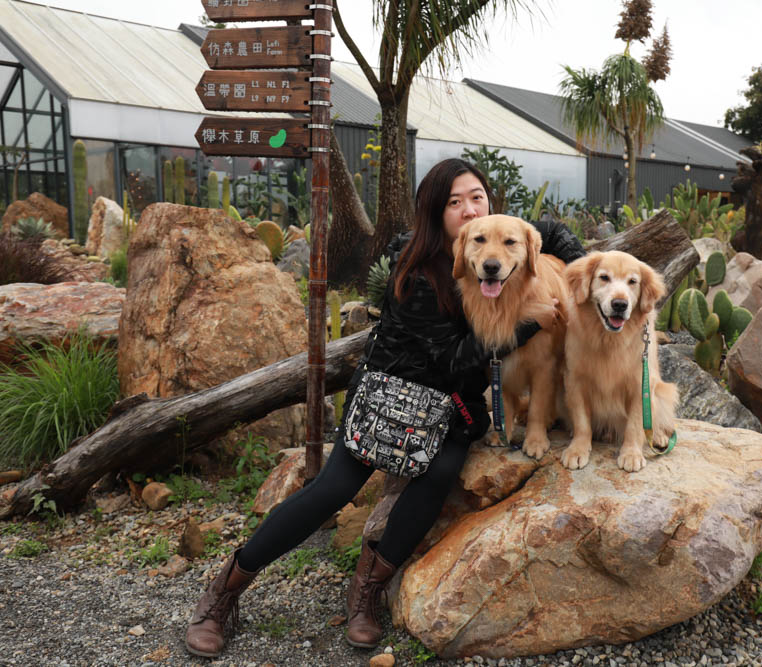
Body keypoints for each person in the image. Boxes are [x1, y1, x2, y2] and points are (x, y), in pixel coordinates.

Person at [184, 158, 586, 657]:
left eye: (476, 197)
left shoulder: (503, 240)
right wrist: (530, 322)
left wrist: (583, 265)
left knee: (438, 476)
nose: (468, 210)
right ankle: (224, 591)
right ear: (434, 212)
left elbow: (552, 234)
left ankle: (368, 589)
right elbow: (451, 357)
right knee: (333, 489)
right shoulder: (417, 269)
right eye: (453, 202)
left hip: (451, 405)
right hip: (392, 393)